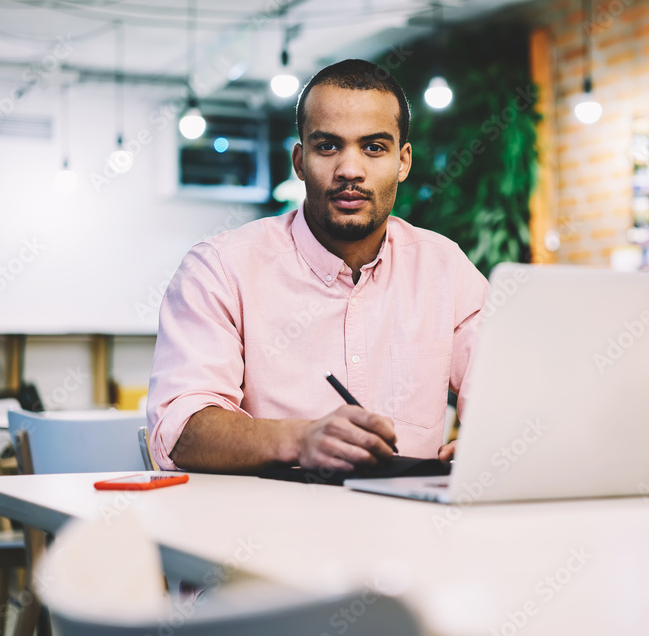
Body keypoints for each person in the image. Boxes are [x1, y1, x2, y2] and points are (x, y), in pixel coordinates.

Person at [147, 59, 488, 474]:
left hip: (410, 526)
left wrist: (487, 444)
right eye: (327, 146)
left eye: (374, 148)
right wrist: (300, 439)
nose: (349, 170)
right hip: (268, 529)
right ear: (299, 160)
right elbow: (180, 430)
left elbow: (505, 395)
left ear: (403, 161)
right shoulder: (220, 269)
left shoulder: (445, 269)